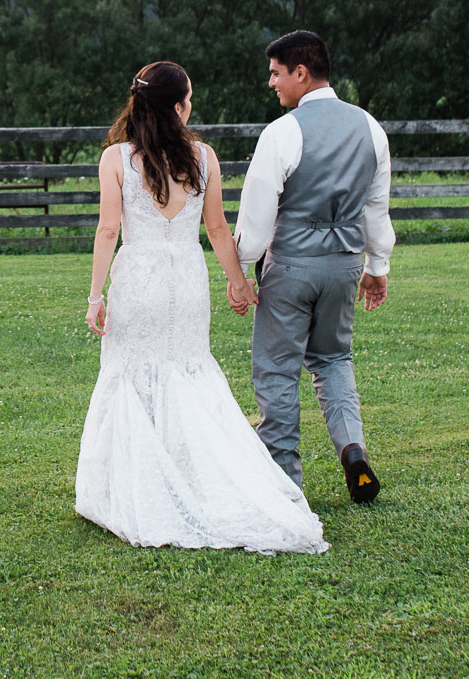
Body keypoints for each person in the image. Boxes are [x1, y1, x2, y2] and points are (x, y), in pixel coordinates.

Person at [75, 61, 329, 553]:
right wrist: (238, 283)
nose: (192, 106)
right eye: (189, 98)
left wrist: (94, 294)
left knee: (133, 374)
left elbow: (108, 230)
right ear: (176, 106)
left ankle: (139, 484)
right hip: (186, 279)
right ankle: (191, 476)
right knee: (186, 370)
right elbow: (217, 229)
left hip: (140, 278)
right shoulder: (204, 157)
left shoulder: (115, 160)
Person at [235, 30, 395, 504]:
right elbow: (376, 208)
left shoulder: (282, 133)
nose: (272, 84)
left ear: (300, 73)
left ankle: (284, 478)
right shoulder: (370, 128)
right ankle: (352, 450)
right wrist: (377, 265)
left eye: (276, 73)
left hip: (292, 267)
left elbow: (257, 217)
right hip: (345, 265)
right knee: (334, 360)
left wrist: (241, 269)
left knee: (278, 369)